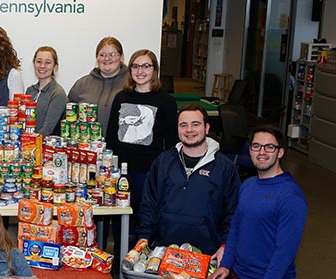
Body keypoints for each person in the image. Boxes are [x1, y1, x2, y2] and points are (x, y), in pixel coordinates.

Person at [209, 125, 336, 279]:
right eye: (256, 146)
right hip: (240, 274)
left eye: (269, 147)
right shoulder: (248, 185)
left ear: (280, 152)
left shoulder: (290, 196)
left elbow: (285, 251)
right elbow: (237, 226)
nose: (262, 152)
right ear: (250, 150)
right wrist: (226, 264)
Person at [137, 104, 240, 262]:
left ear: (207, 128)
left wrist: (225, 245)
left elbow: (233, 211)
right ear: (177, 129)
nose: (189, 130)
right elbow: (148, 204)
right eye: (183, 125)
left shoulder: (225, 167)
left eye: (195, 124)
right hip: (163, 253)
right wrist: (144, 237)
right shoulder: (163, 162)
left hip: (207, 255)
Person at [106, 49, 178, 210]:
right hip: (121, 170)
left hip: (149, 171)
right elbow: (111, 135)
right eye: (135, 66)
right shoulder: (121, 97)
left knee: (145, 214)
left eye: (146, 66)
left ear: (154, 69)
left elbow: (172, 141)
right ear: (130, 70)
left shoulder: (166, 101)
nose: (140, 71)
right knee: (120, 214)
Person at [68, 37, 128, 134]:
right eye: (102, 55)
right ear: (97, 58)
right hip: (86, 146)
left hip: (121, 147)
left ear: (121, 57)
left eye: (112, 54)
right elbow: (68, 116)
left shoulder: (131, 84)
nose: (107, 58)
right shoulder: (81, 84)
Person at [25, 46, 68, 136]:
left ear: (55, 67)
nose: (42, 66)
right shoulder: (30, 91)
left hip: (46, 146)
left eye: (47, 62)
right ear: (34, 64)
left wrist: (31, 142)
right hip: (28, 144)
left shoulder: (57, 93)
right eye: (39, 61)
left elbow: (48, 128)